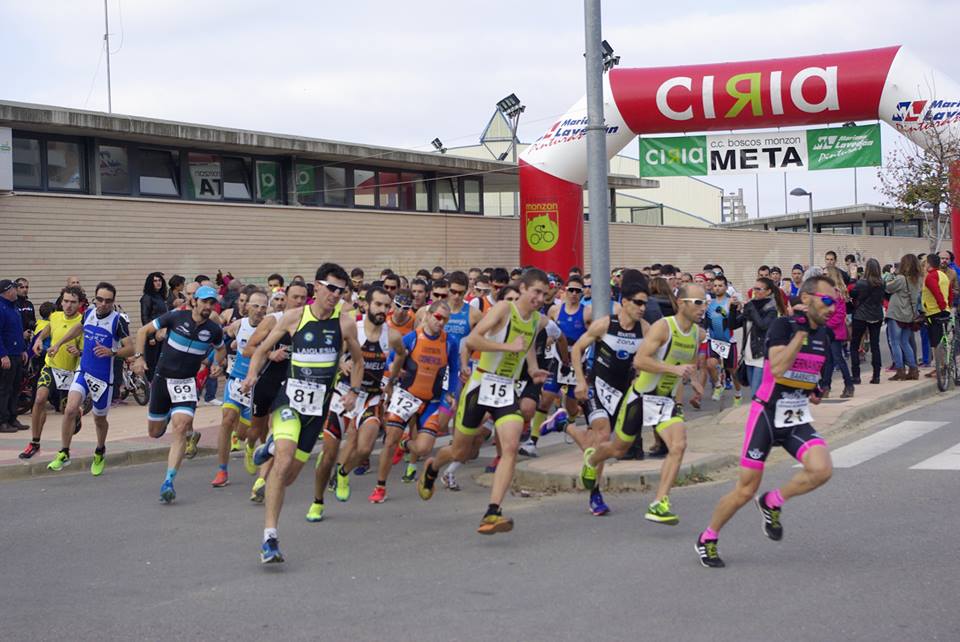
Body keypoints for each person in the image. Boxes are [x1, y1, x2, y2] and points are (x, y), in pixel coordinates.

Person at [696, 275, 837, 568]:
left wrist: (814, 389)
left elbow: (808, 372)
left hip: (795, 417)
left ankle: (772, 501)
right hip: (767, 415)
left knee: (822, 469)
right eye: (826, 300)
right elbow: (779, 368)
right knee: (745, 490)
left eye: (834, 302)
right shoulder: (783, 326)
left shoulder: (824, 334)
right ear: (807, 299)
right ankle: (708, 537)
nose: (832, 307)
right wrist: (800, 334)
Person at [243, 263, 364, 564]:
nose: (335, 295)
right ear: (317, 286)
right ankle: (270, 538)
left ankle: (269, 448)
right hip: (289, 401)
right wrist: (252, 375)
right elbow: (260, 349)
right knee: (283, 460)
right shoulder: (294, 317)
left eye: (341, 291)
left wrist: (353, 391)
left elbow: (358, 362)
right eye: (331, 288)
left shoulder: (345, 324)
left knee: (288, 476)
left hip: (317, 410)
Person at [419, 269, 551, 535]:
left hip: (506, 389)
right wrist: (507, 347)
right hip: (480, 385)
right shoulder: (504, 309)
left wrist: (533, 369)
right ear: (523, 289)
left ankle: (493, 511)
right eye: (536, 292)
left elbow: (526, 347)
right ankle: (432, 467)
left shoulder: (538, 320)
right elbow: (473, 339)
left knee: (511, 447)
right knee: (460, 452)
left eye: (544, 294)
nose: (540, 298)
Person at [581, 283, 706, 526]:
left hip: (664, 400)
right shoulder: (663, 327)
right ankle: (592, 460)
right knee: (618, 449)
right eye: (698, 303)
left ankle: (659, 502)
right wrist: (673, 369)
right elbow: (640, 361)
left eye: (706, 303)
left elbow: (686, 367)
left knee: (678, 445)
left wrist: (692, 382)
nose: (703, 308)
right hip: (640, 397)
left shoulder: (695, 334)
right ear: (682, 303)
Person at [315, 286, 406, 517]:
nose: (382, 310)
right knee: (329, 452)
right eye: (378, 304)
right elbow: (333, 352)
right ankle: (318, 500)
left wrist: (391, 380)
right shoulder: (352, 330)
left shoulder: (392, 336)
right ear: (366, 305)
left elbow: (401, 354)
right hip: (344, 393)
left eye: (386, 306)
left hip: (371, 396)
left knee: (365, 448)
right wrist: (341, 364)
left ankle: (343, 473)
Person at [568, 271, 649, 515]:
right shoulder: (605, 324)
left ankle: (564, 425)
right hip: (597, 387)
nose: (642, 308)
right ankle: (595, 495)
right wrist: (580, 381)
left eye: (645, 304)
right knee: (602, 435)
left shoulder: (645, 329)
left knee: (602, 444)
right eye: (638, 303)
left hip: (622, 393)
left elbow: (650, 359)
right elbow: (577, 349)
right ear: (624, 302)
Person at [46, 283, 133, 474]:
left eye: (108, 301)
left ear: (113, 301)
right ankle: (64, 452)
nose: (103, 304)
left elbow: (130, 348)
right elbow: (78, 328)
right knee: (70, 409)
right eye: (99, 299)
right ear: (94, 299)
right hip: (84, 371)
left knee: (99, 419)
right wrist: (58, 344)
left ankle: (100, 451)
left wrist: (112, 351)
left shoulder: (118, 321)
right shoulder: (89, 313)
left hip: (103, 378)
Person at [211, 289, 268, 487]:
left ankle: (249, 445)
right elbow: (220, 343)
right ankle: (222, 471)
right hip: (236, 380)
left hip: (257, 385)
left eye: (263, 307)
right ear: (247, 306)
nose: (259, 310)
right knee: (227, 419)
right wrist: (216, 362)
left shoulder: (271, 329)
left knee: (245, 433)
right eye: (255, 306)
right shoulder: (238, 325)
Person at [20, 287, 83, 457]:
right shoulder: (55, 316)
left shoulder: (82, 323)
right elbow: (48, 328)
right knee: (39, 399)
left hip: (70, 372)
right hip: (51, 366)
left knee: (67, 412)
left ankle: (76, 416)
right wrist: (39, 340)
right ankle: (34, 443)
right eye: (66, 301)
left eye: (73, 302)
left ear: (79, 304)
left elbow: (87, 351)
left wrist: (78, 352)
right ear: (61, 301)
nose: (68, 305)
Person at [734, 277, 782, 397]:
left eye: (758, 289)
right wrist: (732, 308)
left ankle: (762, 409)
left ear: (768, 291)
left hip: (761, 356)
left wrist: (751, 308)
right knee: (755, 394)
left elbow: (763, 325)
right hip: (748, 356)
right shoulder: (752, 306)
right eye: (754, 288)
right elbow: (733, 325)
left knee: (756, 394)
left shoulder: (771, 309)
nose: (755, 291)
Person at [885, 253, 922, 381]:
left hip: (896, 313)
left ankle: (900, 370)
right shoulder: (918, 280)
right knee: (905, 342)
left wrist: (892, 275)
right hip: (909, 316)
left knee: (894, 342)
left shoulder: (901, 279)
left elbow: (888, 288)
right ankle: (913, 369)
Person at [849, 258, 885, 385]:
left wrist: (852, 278)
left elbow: (852, 293)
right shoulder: (882, 283)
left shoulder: (861, 283)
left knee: (854, 345)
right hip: (876, 316)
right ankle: (876, 375)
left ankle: (856, 376)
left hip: (861, 316)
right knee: (875, 346)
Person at [821, 266, 854, 398]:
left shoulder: (837, 293)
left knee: (838, 358)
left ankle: (849, 385)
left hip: (835, 332)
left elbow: (840, 314)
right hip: (827, 332)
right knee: (828, 360)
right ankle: (825, 386)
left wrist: (826, 324)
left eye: (825, 274)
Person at [0, 280, 28, 433]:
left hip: (17, 353)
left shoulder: (14, 307)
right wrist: (2, 355)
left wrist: (23, 349)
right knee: (5, 389)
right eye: (14, 288)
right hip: (7, 355)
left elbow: (17, 331)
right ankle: (2, 421)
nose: (16, 291)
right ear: (6, 291)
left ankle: (12, 417)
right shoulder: (1, 308)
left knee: (16, 388)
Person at [921, 253, 951, 378]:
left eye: (925, 263)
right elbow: (949, 292)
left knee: (935, 342)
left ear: (929, 263)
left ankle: (940, 367)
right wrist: (947, 306)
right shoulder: (943, 275)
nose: (924, 265)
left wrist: (941, 305)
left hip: (934, 312)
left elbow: (936, 292)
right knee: (941, 339)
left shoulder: (930, 277)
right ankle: (943, 365)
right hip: (944, 310)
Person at [140, 272, 169, 382]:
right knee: (151, 361)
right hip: (152, 334)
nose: (158, 283)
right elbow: (145, 317)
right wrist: (150, 336)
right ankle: (150, 384)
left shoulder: (160, 297)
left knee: (160, 360)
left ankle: (157, 383)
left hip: (162, 333)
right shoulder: (147, 297)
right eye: (155, 281)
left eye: (160, 280)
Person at [15, 278, 36, 344]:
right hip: (14, 342)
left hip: (27, 342)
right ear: (16, 289)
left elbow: (33, 321)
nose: (25, 289)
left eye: (26, 287)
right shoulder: (12, 304)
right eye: (22, 287)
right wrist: (21, 335)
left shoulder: (29, 304)